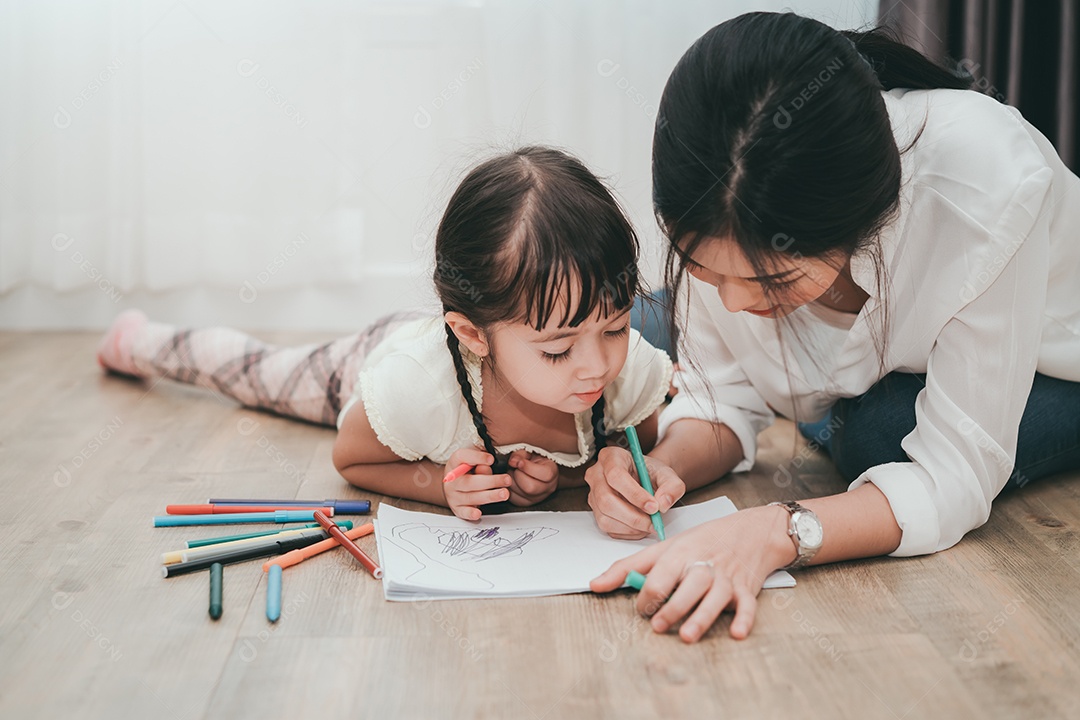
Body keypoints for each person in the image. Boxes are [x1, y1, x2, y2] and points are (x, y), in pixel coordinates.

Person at [588, 12, 1080, 643]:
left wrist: (774, 531)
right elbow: (724, 398)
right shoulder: (721, 194)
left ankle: (825, 410)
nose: (732, 304)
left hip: (1051, 363)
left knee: (878, 437)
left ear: (861, 224)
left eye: (771, 282)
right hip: (868, 364)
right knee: (619, 328)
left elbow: (951, 481)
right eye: (704, 270)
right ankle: (818, 400)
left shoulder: (986, 188)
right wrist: (665, 466)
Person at [97, 147, 673, 520]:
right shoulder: (412, 391)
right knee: (259, 372)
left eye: (617, 326)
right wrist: (440, 487)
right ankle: (139, 341)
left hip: (447, 342)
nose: (597, 365)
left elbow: (637, 440)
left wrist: (582, 474)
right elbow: (352, 460)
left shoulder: (621, 374)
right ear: (476, 335)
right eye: (558, 350)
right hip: (375, 359)